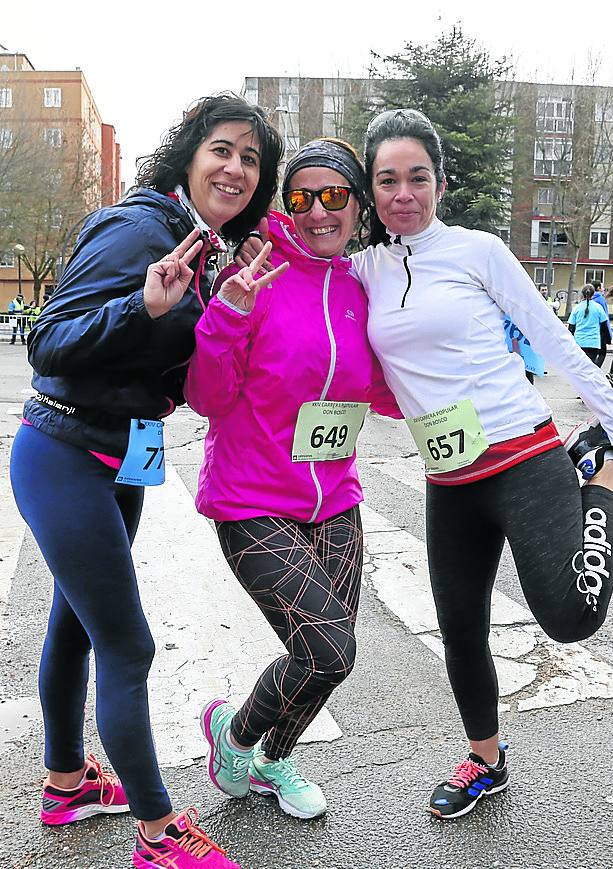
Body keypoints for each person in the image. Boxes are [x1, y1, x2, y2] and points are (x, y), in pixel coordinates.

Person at [238, 108, 613, 822]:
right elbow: (303, 250)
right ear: (370, 192)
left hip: (522, 454)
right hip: (448, 477)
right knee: (459, 629)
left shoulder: (477, 251)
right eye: (386, 180)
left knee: (570, 617)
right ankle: (486, 759)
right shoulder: (362, 269)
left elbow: (546, 329)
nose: (402, 194)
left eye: (416, 177)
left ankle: (596, 481)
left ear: (439, 182)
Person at [9, 93, 282, 869]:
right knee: (128, 646)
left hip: (121, 455)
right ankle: (160, 835)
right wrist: (140, 306)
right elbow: (48, 341)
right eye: (221, 150)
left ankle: (67, 784)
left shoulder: (204, 244)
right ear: (189, 157)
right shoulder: (138, 228)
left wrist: (222, 308)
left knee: (77, 627)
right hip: (63, 451)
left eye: (251, 160)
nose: (234, 168)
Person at [189, 139, 401, 822]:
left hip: (334, 497)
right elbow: (207, 396)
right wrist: (230, 313)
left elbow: (386, 389)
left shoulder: (362, 284)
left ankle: (276, 759)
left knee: (328, 658)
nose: (316, 212)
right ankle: (236, 734)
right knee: (325, 644)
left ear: (357, 205)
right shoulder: (257, 269)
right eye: (301, 197)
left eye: (333, 196)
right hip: (251, 496)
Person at [569, 285, 613, 365]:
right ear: (593, 294)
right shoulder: (598, 307)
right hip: (593, 342)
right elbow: (604, 326)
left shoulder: (577, 308)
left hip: (579, 342)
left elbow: (571, 327)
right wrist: (608, 339)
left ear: (582, 294)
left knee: (580, 366)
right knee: (591, 366)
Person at [590, 279, 612, 366]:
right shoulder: (600, 299)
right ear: (598, 288)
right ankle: (595, 371)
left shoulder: (587, 299)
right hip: (600, 330)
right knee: (602, 353)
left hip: (590, 329)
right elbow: (605, 317)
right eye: (602, 287)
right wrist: (609, 334)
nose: (603, 289)